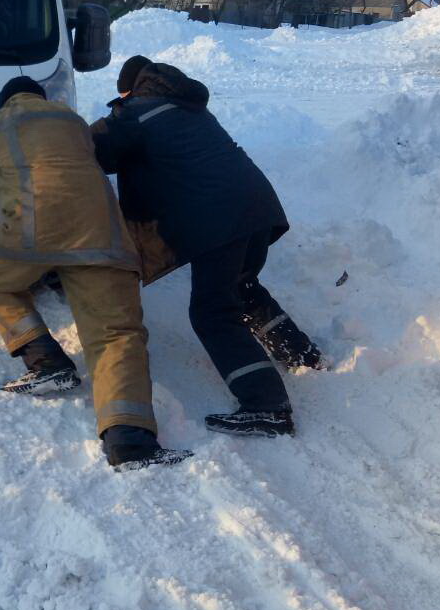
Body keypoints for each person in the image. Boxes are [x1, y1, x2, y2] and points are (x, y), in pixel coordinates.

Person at [0, 76, 191, 472]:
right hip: (101, 233)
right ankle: (130, 441)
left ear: (5, 100)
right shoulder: (72, 120)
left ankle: (45, 360)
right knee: (116, 333)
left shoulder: (0, 122)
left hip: (33, 230)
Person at [91, 56, 324, 438]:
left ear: (130, 90)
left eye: (122, 95)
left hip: (221, 219)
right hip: (256, 206)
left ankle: (267, 405)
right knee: (242, 288)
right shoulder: (185, 105)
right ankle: (302, 355)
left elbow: (90, 146)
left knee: (212, 312)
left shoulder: (135, 113)